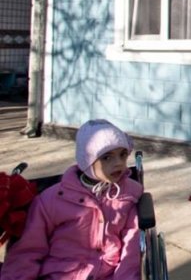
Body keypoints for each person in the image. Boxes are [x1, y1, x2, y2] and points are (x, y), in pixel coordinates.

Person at [1, 119, 143, 280]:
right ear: (87, 160)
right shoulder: (50, 200)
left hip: (106, 274)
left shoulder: (128, 196)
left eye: (123, 155)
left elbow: (131, 251)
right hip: (59, 274)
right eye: (107, 157)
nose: (118, 163)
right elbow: (28, 250)